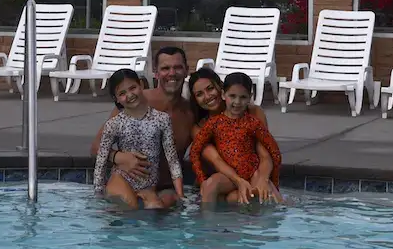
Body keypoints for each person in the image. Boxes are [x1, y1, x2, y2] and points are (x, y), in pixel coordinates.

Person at [90, 46, 194, 208]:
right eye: (165, 68)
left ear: (187, 70)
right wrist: (121, 158)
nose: (172, 73)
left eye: (178, 67)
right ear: (156, 72)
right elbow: (96, 148)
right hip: (126, 182)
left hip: (163, 188)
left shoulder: (190, 113)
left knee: (164, 208)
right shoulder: (134, 100)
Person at [188, 67, 281, 204]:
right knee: (225, 195)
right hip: (223, 180)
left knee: (266, 196)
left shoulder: (253, 117)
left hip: (252, 173)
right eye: (200, 94)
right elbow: (215, 160)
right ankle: (207, 225)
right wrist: (202, 180)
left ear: (220, 88)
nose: (207, 96)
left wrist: (265, 179)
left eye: (210, 88)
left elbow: (268, 153)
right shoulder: (204, 127)